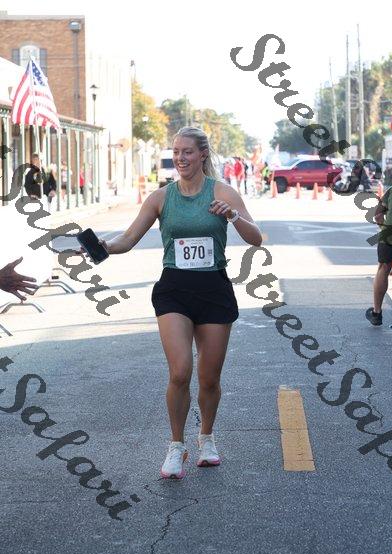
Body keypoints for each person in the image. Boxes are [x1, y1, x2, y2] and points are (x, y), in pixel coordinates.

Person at [78, 126, 262, 479]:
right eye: (176, 152)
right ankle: (176, 446)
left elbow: (256, 238)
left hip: (213, 288)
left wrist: (232, 216)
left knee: (209, 378)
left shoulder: (223, 192)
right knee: (180, 372)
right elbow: (128, 238)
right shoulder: (161, 197)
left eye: (187, 152)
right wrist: (103, 247)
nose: (180, 158)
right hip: (174, 289)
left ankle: (206, 438)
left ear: (203, 154)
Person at [366, 171, 392, 326]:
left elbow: (378, 215)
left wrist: (384, 228)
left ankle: (377, 313)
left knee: (384, 268)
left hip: (389, 237)